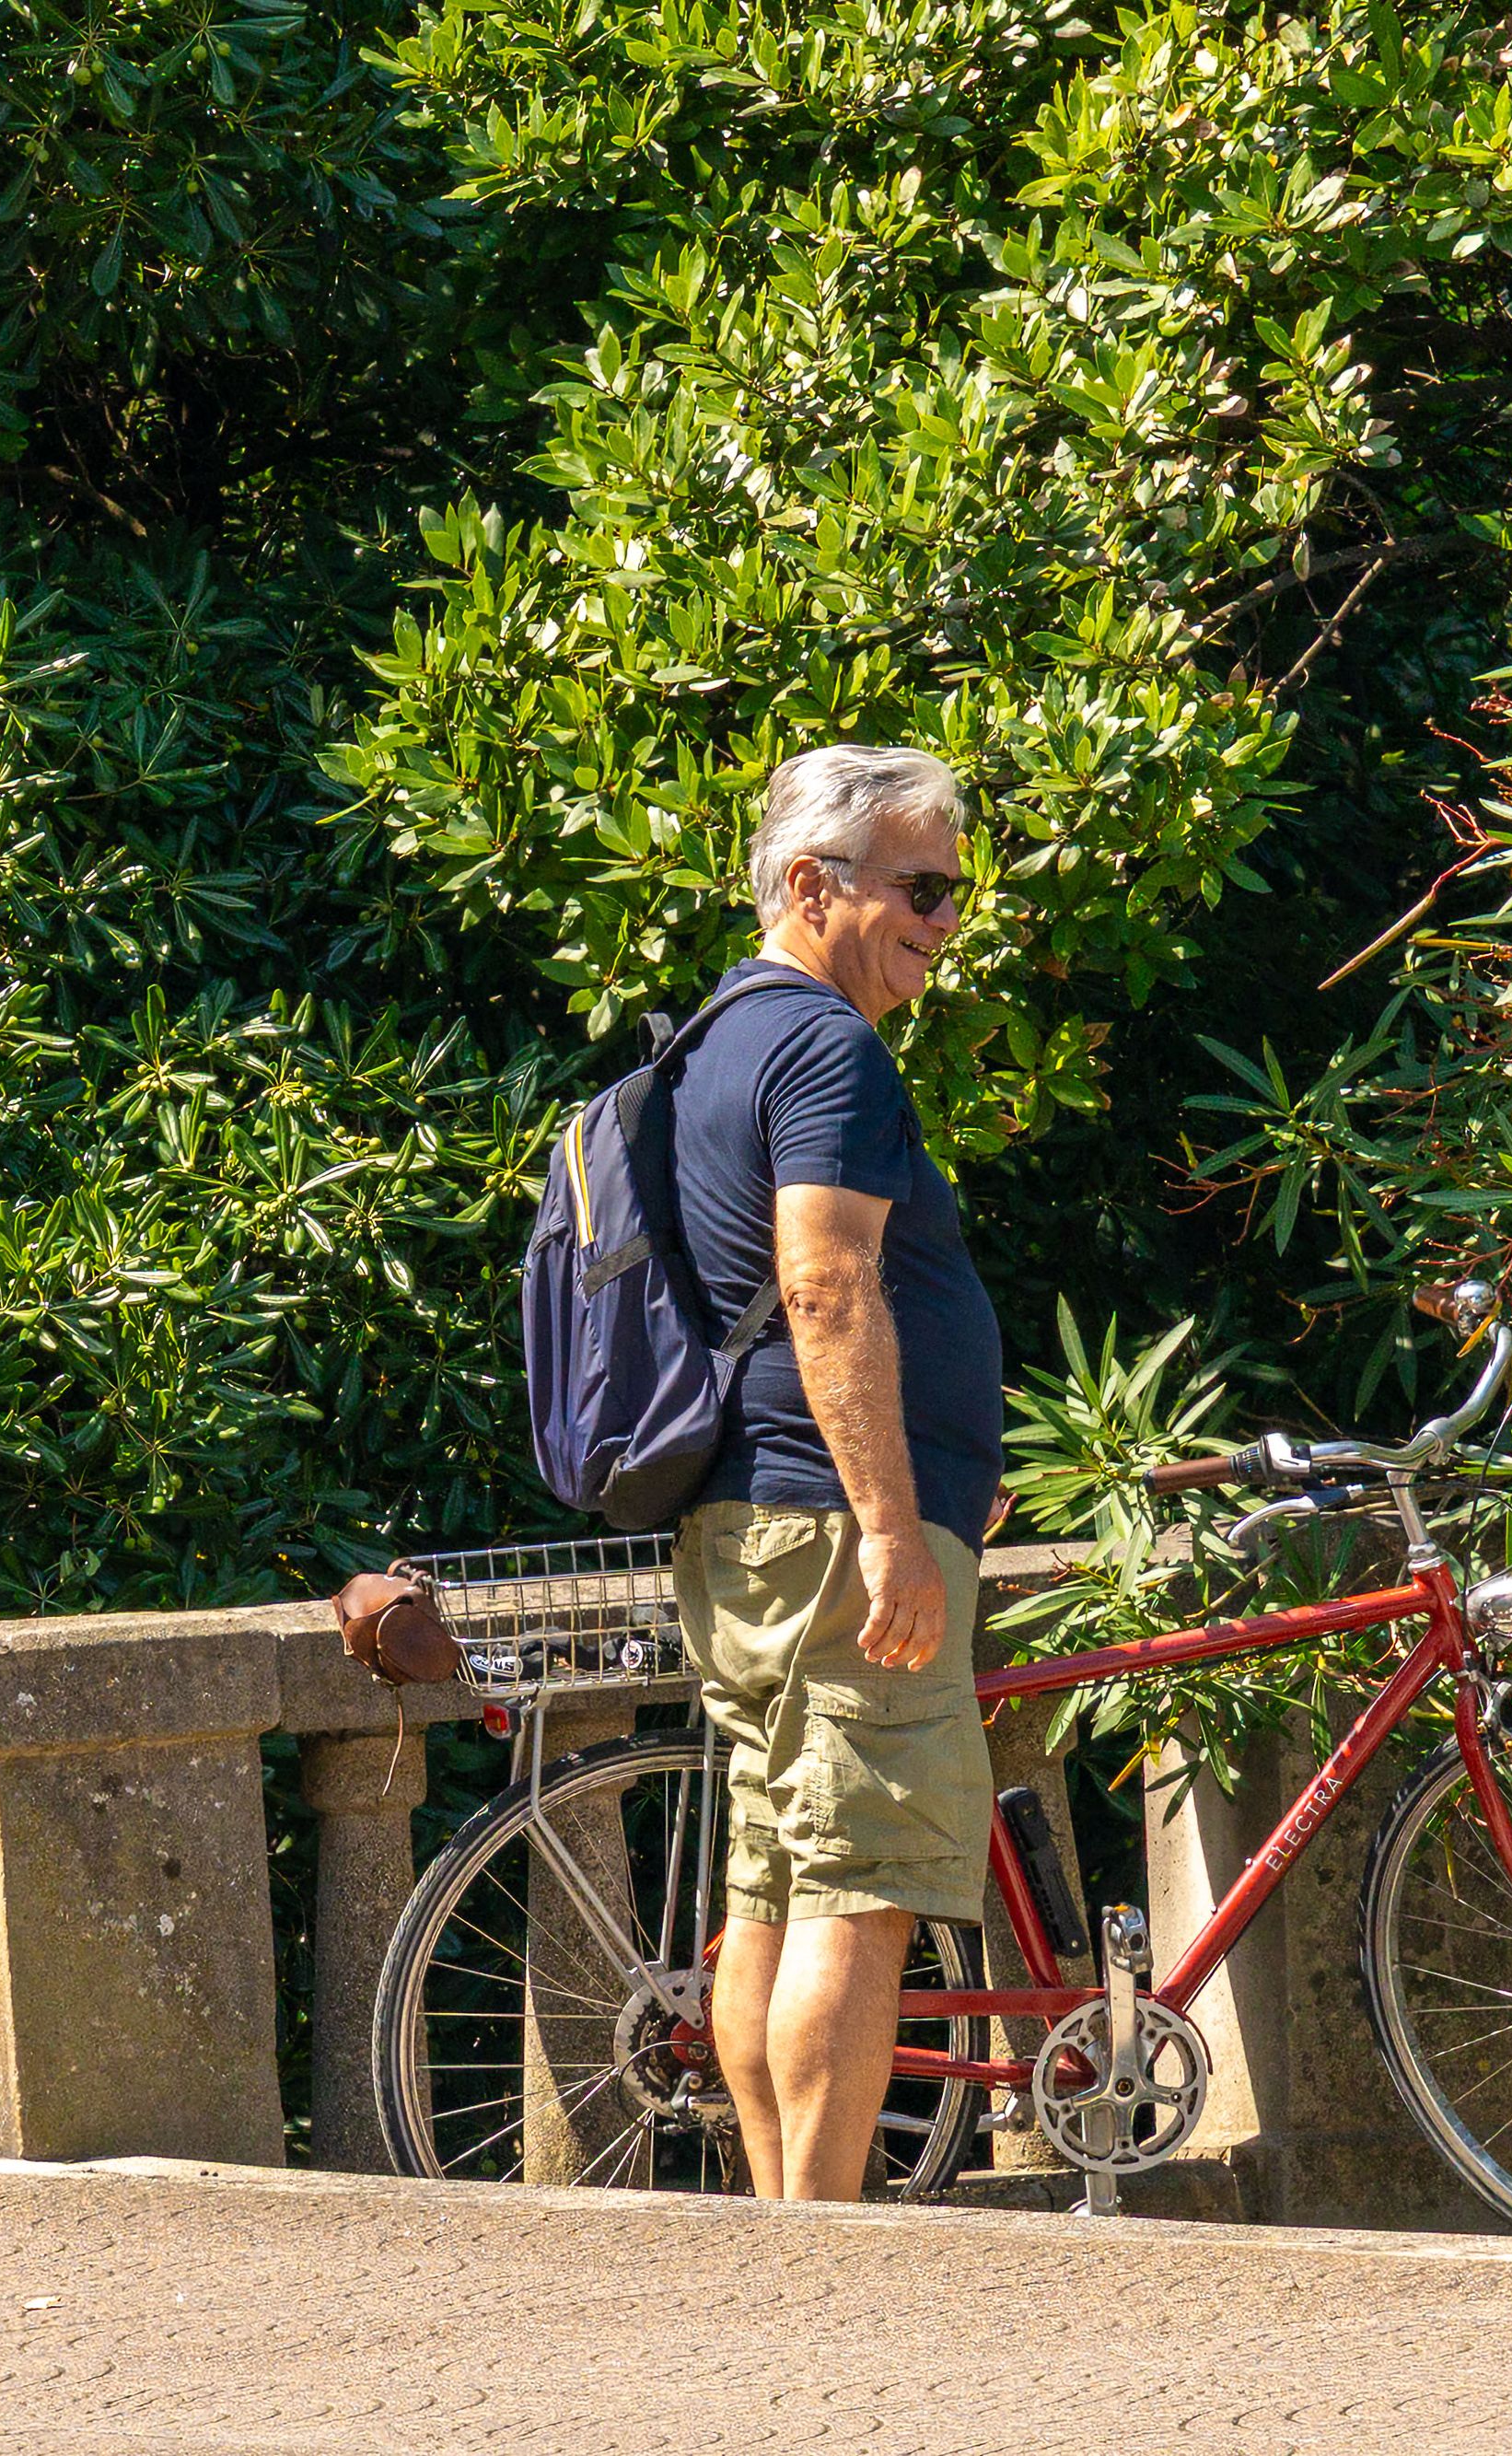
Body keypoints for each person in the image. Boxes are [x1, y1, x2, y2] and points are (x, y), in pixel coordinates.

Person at [667, 743, 1002, 2203]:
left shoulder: (711, 1040)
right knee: (861, 1884)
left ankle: (781, 2223)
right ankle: (823, 2245)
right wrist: (891, 1524)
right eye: (922, 885)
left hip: (744, 1519)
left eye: (955, 888)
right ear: (814, 883)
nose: (944, 918)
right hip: (827, 1526)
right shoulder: (825, 1048)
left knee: (770, 1886)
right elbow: (824, 1281)